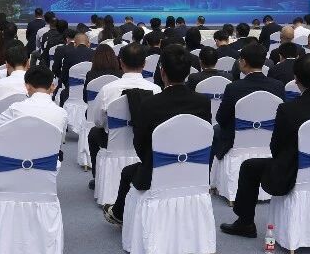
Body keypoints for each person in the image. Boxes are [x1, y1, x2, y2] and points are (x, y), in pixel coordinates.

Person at [219, 56, 310, 237]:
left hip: (294, 173)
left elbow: (276, 148)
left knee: (249, 166)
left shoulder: (288, 109)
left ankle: (245, 222)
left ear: (296, 79)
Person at [103, 47, 211, 224]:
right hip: (194, 172)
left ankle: (118, 215)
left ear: (162, 72)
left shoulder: (150, 104)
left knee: (128, 171)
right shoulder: (203, 102)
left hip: (157, 172)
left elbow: (140, 144)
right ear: (188, 72)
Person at [87, 43, 161, 175]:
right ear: (144, 63)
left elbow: (98, 122)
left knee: (93, 133)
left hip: (113, 144)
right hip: (146, 144)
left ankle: (96, 176)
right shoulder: (156, 90)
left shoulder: (107, 90)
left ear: (120, 62)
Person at [212, 43, 284, 163]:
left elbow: (221, 118)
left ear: (243, 62)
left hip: (236, 145)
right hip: (270, 143)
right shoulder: (278, 86)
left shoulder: (233, 87)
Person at [0, 64, 68, 158]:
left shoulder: (16, 109)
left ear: (27, 86)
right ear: (52, 87)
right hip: (47, 165)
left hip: (14, 162)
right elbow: (59, 141)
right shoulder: (62, 113)